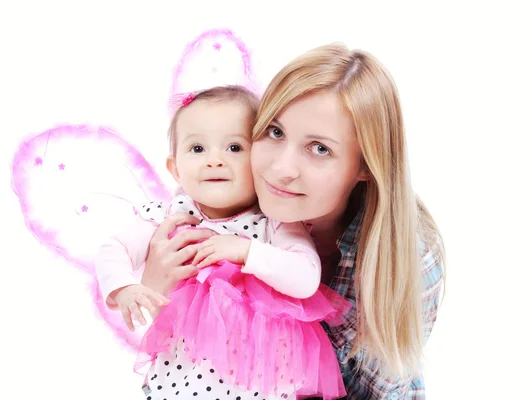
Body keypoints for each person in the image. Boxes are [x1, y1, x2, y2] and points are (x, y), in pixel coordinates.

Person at [138, 44, 446, 399]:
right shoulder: (224, 198)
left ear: (365, 166)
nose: (281, 170)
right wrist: (154, 287)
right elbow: (185, 351)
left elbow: (377, 392)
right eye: (275, 131)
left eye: (320, 149)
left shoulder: (407, 260)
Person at [95, 85, 350, 400]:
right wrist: (123, 286)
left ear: (260, 160)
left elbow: (306, 278)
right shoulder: (169, 215)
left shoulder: (272, 220)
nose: (215, 161)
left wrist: (247, 251)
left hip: (258, 378)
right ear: (175, 168)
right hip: (185, 373)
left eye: (233, 148)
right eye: (198, 149)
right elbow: (114, 249)